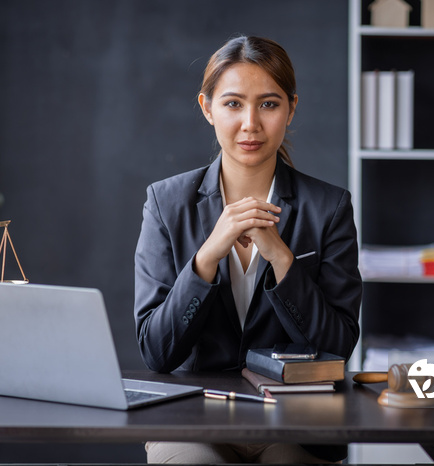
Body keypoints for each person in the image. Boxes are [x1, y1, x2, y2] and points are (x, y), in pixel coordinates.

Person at [134, 35, 362, 464]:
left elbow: (338, 348)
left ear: (291, 108)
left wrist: (282, 259)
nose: (250, 124)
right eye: (233, 104)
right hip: (192, 419)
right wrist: (207, 257)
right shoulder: (165, 204)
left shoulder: (330, 208)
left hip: (296, 424)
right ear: (207, 107)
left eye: (269, 104)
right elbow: (157, 351)